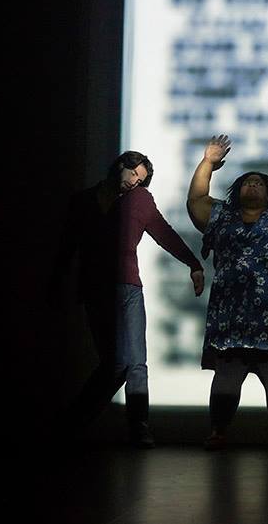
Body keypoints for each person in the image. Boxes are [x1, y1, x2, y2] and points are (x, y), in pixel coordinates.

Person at [53, 150, 205, 447]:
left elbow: (164, 233)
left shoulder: (139, 200)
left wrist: (194, 263)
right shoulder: (84, 200)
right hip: (96, 289)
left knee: (135, 362)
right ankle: (71, 423)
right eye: (134, 174)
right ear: (121, 166)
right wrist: (56, 283)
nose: (136, 182)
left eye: (141, 179)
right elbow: (67, 247)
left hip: (127, 288)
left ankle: (138, 426)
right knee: (114, 364)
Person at [186, 134, 268, 450]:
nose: (254, 185)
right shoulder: (221, 215)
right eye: (248, 182)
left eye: (260, 183)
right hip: (229, 313)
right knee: (227, 377)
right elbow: (196, 200)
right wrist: (208, 162)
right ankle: (218, 431)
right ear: (237, 191)